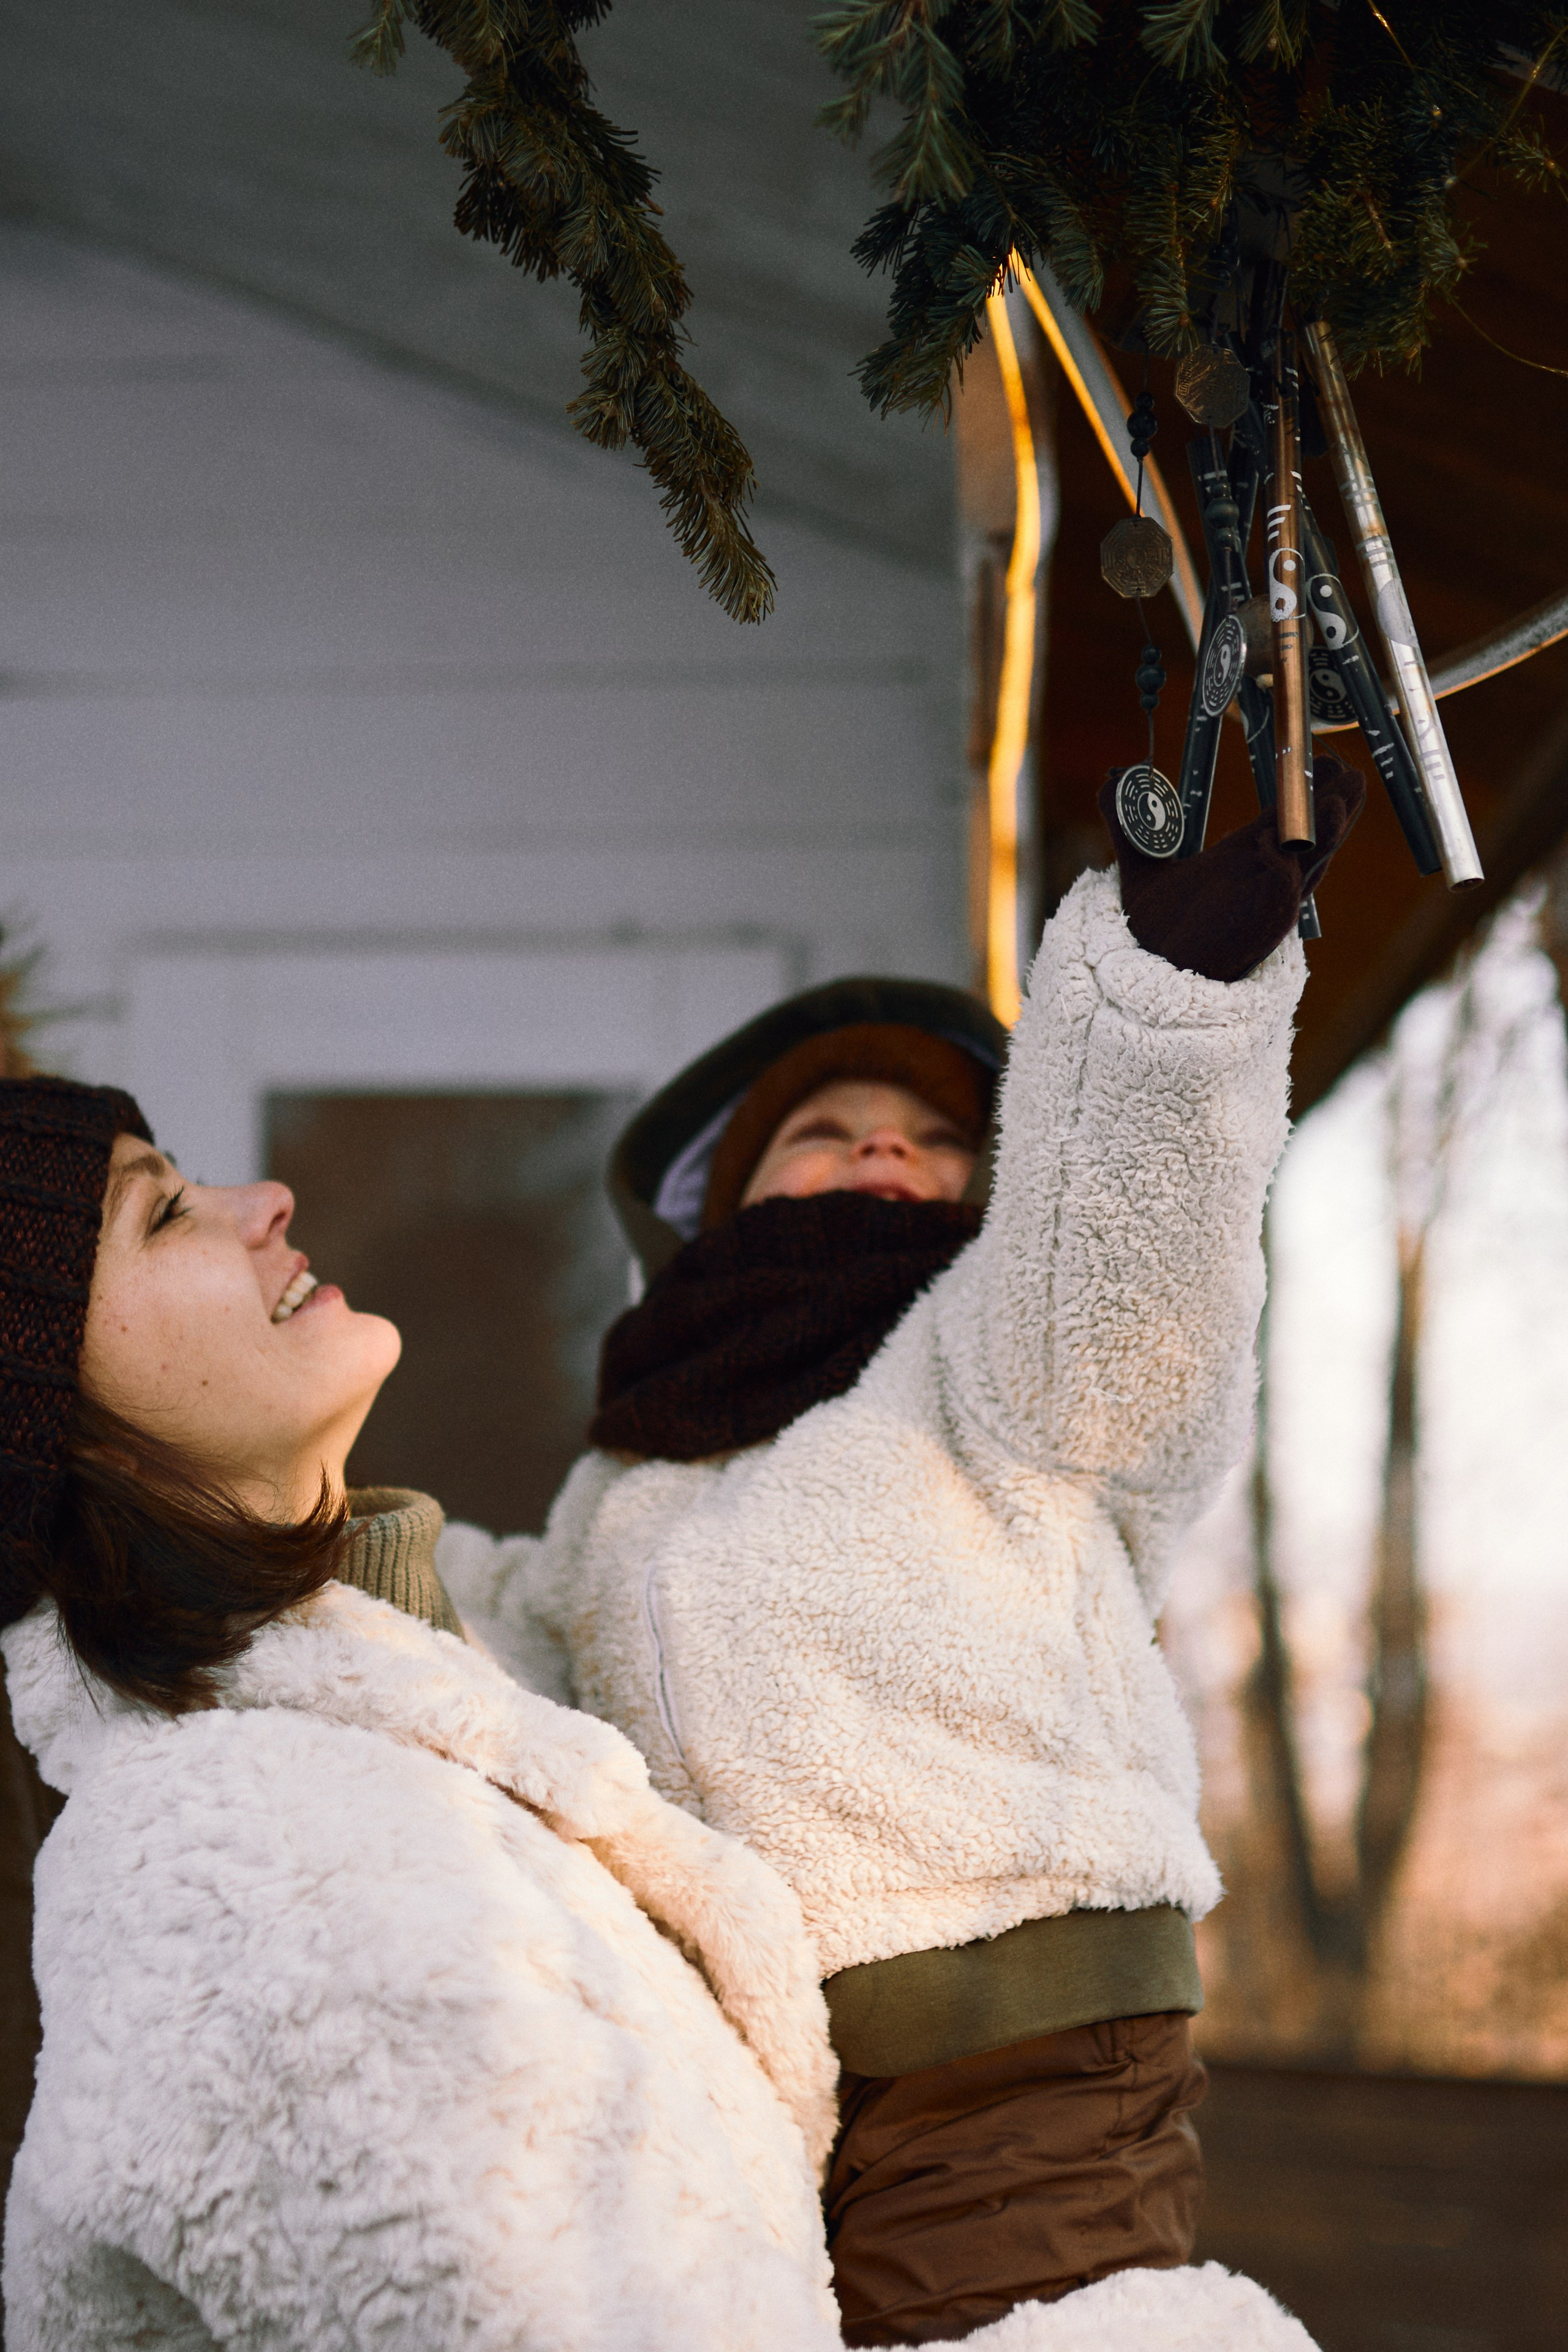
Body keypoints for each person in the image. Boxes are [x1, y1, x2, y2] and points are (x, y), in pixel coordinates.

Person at [0, 1075, 1316, 2352]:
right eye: (163, 1213)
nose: (265, 1200)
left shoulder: (435, 1697)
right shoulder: (239, 1867)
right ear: (62, 1429)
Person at [472, 760, 1366, 2345]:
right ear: (718, 1204)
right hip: (747, 2062)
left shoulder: (1005, 1365)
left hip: (1010, 2039)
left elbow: (1129, 1259)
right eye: (823, 1131)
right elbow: (516, 1651)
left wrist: (1161, 1010)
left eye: (937, 1136)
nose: (882, 1152)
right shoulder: (639, 1469)